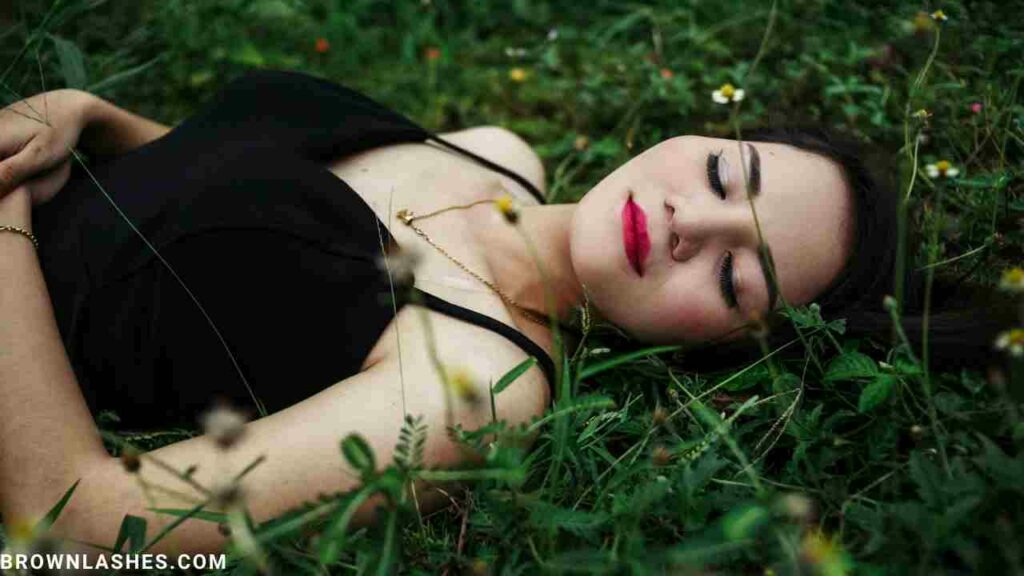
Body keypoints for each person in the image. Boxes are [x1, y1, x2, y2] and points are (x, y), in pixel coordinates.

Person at [0, 68, 998, 559]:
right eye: (723, 172)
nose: (694, 221)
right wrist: (93, 118)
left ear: (731, 347)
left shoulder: (482, 389)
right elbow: (202, 190)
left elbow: (74, 527)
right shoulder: (496, 149)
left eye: (741, 278)